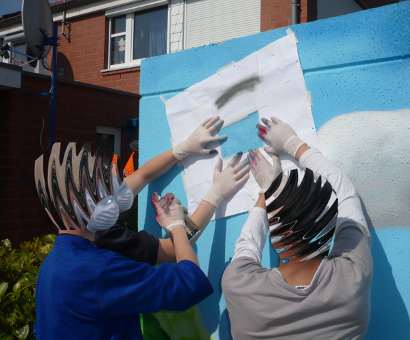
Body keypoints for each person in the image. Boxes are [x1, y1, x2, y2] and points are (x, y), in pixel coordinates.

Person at [33, 116, 250, 340]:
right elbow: (187, 278)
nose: (116, 199)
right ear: (88, 207)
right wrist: (210, 199)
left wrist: (181, 150)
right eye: (107, 196)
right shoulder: (102, 263)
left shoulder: (55, 261)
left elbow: (141, 176)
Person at [222, 117, 372, 340]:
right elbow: (344, 192)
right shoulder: (353, 277)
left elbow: (248, 245)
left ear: (278, 236)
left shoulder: (238, 284)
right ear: (332, 231)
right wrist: (291, 142)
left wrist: (269, 192)